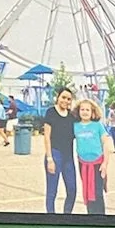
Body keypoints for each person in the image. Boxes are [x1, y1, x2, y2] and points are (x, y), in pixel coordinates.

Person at [42, 85, 78, 215]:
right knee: (52, 190)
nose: (66, 101)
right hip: (55, 154)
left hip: (68, 157)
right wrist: (49, 158)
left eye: (69, 99)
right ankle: (51, 217)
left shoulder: (72, 117)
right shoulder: (51, 112)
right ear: (57, 97)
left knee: (72, 189)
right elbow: (47, 136)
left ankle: (66, 215)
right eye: (63, 97)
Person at [73, 96, 108, 217]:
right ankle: (90, 215)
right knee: (88, 190)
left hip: (97, 163)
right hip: (83, 163)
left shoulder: (97, 125)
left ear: (93, 112)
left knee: (98, 192)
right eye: (82, 109)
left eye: (87, 110)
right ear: (78, 111)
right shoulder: (75, 126)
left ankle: (101, 217)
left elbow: (105, 144)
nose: (85, 112)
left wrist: (105, 164)